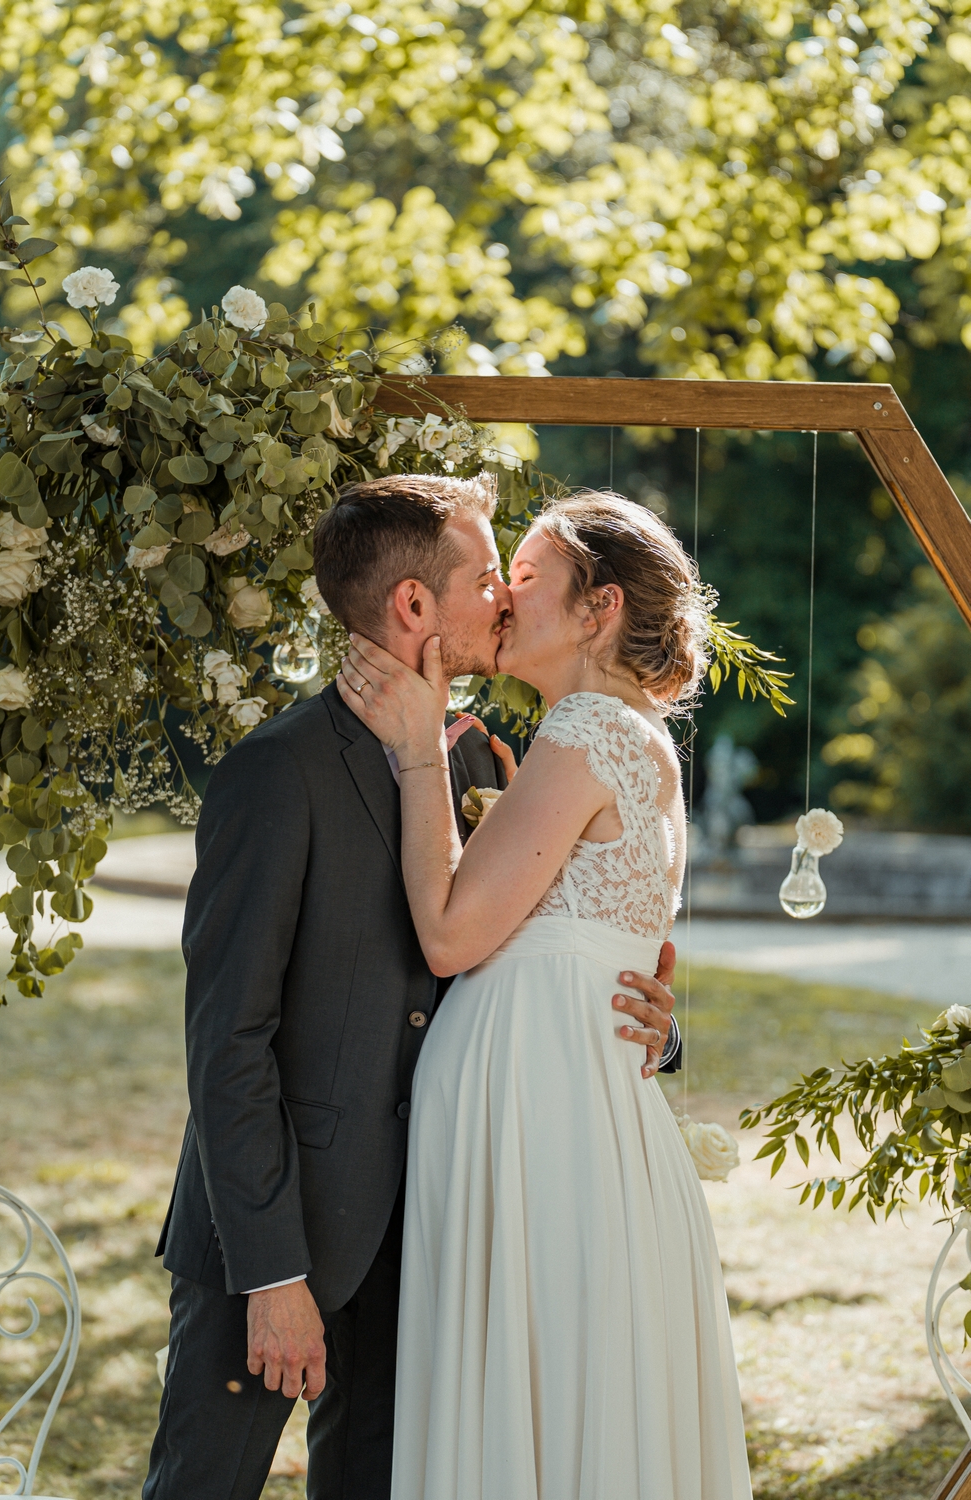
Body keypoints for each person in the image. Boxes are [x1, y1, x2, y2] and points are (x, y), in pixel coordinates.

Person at [143, 474, 682, 1500]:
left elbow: (538, 941)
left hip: (430, 1238)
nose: (507, 599)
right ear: (413, 607)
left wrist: (648, 1026)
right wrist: (272, 1276)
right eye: (489, 579)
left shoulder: (482, 751)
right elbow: (228, 1042)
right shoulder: (278, 772)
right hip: (277, 1239)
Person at [339, 490, 752, 1500]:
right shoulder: (618, 734)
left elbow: (447, 935)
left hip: (539, 1116)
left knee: (533, 1382)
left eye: (524, 575)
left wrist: (415, 751)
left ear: (596, 606)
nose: (503, 594)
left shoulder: (588, 730)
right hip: (562, 1101)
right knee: (569, 1392)